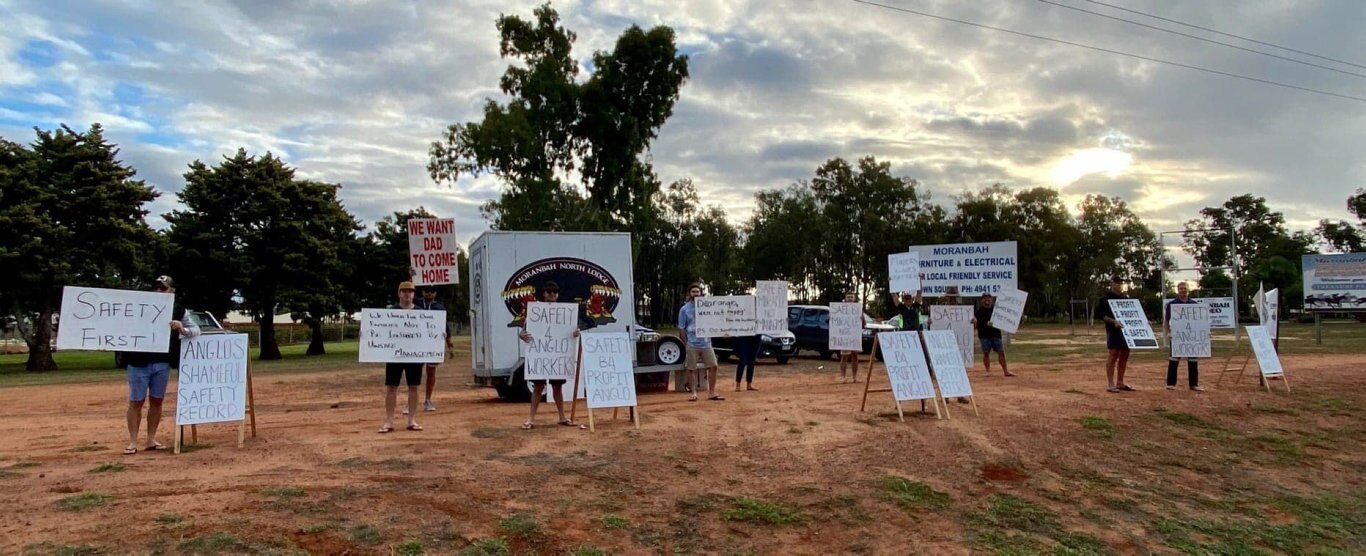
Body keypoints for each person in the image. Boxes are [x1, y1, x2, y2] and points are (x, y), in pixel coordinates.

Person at [120, 276, 200, 455]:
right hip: (137, 362)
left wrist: (182, 328)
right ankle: (132, 441)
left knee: (157, 401)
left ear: (171, 290)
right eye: (155, 288)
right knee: (136, 401)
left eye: (162, 288)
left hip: (162, 362)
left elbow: (196, 330)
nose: (158, 291)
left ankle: (150, 439)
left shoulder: (179, 310)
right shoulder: (137, 306)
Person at [517, 281, 589, 429]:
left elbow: (572, 332)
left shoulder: (565, 312)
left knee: (557, 387)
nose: (552, 294)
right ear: (543, 294)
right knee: (538, 387)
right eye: (549, 292)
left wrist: (576, 333)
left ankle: (562, 417)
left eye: (554, 292)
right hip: (540, 355)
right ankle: (531, 419)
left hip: (556, 356)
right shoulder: (535, 311)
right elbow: (523, 331)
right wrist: (522, 335)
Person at [379, 281, 425, 433]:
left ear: (414, 294)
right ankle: (389, 421)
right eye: (404, 291)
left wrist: (440, 336)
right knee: (392, 387)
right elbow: (380, 332)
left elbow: (428, 333)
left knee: (414, 387)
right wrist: (364, 334)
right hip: (394, 355)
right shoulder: (390, 312)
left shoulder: (422, 313)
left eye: (410, 291)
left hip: (414, 355)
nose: (407, 294)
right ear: (399, 293)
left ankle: (411, 419)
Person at [409, 287, 454, 413]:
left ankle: (428, 400)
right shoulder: (416, 303)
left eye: (432, 290)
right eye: (426, 290)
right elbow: (409, 293)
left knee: (431, 372)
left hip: (432, 345)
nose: (429, 293)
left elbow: (445, 327)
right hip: (416, 344)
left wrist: (449, 344)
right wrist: (412, 277)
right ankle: (411, 401)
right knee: (414, 373)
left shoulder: (440, 308)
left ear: (436, 293)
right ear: (422, 292)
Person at [678, 283, 723, 402]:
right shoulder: (684, 309)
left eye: (697, 292)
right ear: (689, 294)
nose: (695, 294)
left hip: (706, 342)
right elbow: (682, 328)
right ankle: (693, 392)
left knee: (713, 366)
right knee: (691, 368)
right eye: (693, 292)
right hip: (692, 343)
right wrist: (685, 342)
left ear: (701, 293)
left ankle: (712, 392)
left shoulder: (708, 307)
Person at [1096, 276, 1135, 393]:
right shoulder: (1105, 299)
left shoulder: (1125, 298)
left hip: (1126, 331)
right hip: (1113, 330)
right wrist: (1114, 322)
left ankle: (1120, 382)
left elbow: (1133, 313)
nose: (1119, 285)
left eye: (1120, 283)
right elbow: (1102, 316)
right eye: (1117, 282)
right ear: (1112, 284)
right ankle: (1110, 383)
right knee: (1113, 354)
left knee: (1125, 354)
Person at [1164, 282, 1204, 392]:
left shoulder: (1194, 304)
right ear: (1177, 290)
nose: (1183, 290)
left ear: (1188, 290)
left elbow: (1200, 322)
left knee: (1192, 360)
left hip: (1191, 337)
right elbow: (1166, 321)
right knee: (1174, 359)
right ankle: (1171, 383)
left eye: (1184, 288)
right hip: (1177, 336)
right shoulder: (1172, 304)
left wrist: (1204, 334)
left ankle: (1193, 384)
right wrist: (1168, 333)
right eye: (1181, 288)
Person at [971, 292, 1014, 377]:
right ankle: (987, 371)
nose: (987, 300)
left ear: (992, 299)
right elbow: (975, 324)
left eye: (989, 298)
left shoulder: (996, 310)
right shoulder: (978, 311)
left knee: (1001, 352)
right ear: (982, 300)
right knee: (986, 353)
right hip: (984, 335)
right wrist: (975, 322)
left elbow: (1003, 320)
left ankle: (1006, 371)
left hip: (996, 334)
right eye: (985, 298)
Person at [838, 291, 861, 383]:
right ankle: (843, 377)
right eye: (848, 297)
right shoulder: (840, 309)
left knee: (855, 356)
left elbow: (863, 323)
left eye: (852, 297)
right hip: (845, 336)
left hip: (855, 335)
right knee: (844, 357)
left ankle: (854, 377)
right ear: (845, 299)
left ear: (854, 299)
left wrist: (861, 319)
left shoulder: (858, 309)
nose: (850, 298)